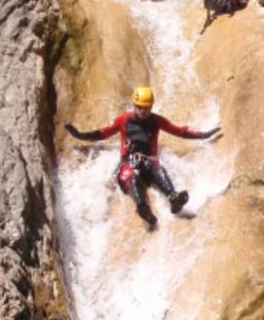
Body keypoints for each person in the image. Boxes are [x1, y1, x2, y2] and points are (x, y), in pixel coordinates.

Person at [65, 86, 221, 227]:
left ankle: (173, 199)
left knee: (157, 168)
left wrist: (203, 135)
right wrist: (80, 135)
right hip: (129, 163)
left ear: (151, 107)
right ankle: (143, 208)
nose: (142, 111)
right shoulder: (123, 120)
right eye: (139, 107)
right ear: (134, 106)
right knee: (132, 177)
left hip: (148, 162)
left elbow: (179, 131)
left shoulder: (157, 121)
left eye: (146, 108)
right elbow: (103, 133)